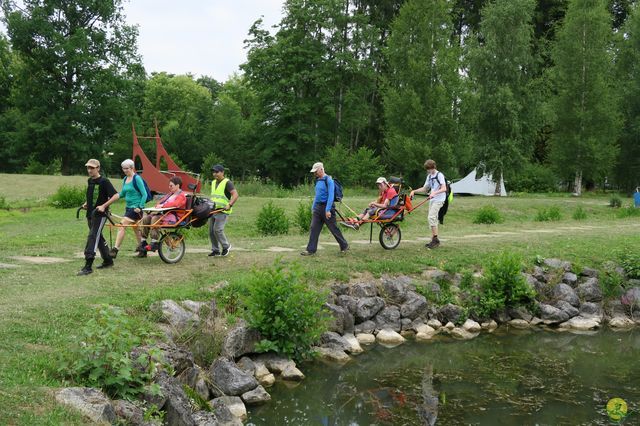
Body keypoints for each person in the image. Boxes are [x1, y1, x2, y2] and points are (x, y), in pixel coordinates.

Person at [96, 159, 146, 257]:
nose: (124, 170)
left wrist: (140, 207)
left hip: (136, 209)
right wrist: (111, 198)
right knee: (136, 228)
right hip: (128, 208)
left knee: (122, 225)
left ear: (132, 168)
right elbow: (122, 193)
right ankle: (143, 249)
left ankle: (115, 250)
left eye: (126, 168)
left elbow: (144, 194)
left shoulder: (137, 179)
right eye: (123, 168)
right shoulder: (125, 179)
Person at [77, 159, 117, 276]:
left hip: (100, 215)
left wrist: (104, 206)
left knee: (93, 236)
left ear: (98, 168)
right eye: (88, 168)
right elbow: (93, 196)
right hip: (90, 214)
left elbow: (116, 195)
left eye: (92, 168)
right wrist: (86, 204)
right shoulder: (90, 181)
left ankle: (88, 266)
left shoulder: (104, 181)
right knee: (98, 237)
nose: (89, 170)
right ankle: (108, 260)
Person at [301, 162, 349, 256]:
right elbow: (317, 195)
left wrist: (327, 210)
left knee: (333, 228)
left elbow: (331, 196)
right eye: (314, 172)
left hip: (328, 207)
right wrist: (313, 207)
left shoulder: (329, 180)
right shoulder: (318, 180)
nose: (314, 173)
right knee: (314, 227)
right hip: (318, 208)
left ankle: (344, 245)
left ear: (321, 169)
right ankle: (311, 250)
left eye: (316, 171)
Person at [137, 176, 187, 257]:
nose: (169, 187)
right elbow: (160, 202)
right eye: (169, 185)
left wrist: (163, 206)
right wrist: (159, 205)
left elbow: (176, 204)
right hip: (165, 214)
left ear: (177, 185)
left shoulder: (181, 195)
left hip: (174, 216)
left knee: (155, 218)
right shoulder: (169, 194)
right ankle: (143, 241)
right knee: (146, 218)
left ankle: (154, 242)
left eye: (171, 186)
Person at [410, 159, 447, 249]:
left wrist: (435, 193)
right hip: (432, 199)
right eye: (427, 169)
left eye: (429, 169)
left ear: (434, 167)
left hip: (439, 199)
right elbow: (425, 188)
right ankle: (434, 240)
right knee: (432, 219)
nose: (428, 171)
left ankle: (435, 240)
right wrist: (414, 191)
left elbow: (444, 188)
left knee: (431, 217)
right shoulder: (429, 176)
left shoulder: (439, 175)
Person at [208, 164, 239, 257]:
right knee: (211, 232)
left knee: (217, 230)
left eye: (217, 172)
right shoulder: (213, 182)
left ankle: (226, 246)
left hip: (223, 211)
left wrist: (229, 204)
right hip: (213, 210)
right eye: (213, 172)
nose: (214, 174)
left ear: (222, 172)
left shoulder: (227, 182)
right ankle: (216, 250)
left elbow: (235, 194)